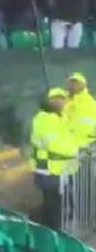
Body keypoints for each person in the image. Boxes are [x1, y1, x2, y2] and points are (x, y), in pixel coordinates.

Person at [31, 88, 83, 229]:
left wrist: (79, 145)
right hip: (49, 170)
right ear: (51, 101)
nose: (64, 101)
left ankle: (55, 229)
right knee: (52, 205)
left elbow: (69, 137)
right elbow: (55, 145)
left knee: (60, 203)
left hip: (61, 170)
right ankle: (51, 233)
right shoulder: (43, 120)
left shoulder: (61, 117)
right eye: (60, 99)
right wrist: (76, 150)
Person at [65, 73, 96, 142]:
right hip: (67, 142)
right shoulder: (62, 100)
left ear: (83, 85)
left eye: (76, 83)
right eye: (71, 83)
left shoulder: (89, 101)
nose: (73, 85)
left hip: (87, 141)